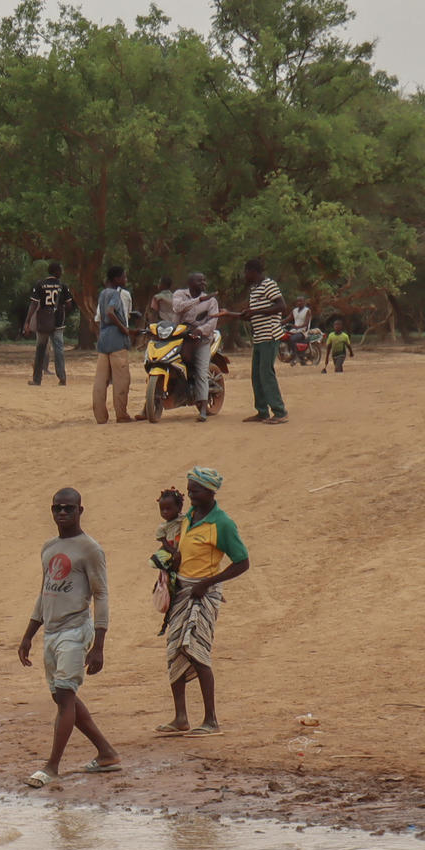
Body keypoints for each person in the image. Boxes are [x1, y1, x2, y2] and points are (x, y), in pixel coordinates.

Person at [17, 489, 118, 788]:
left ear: (80, 511)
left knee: (64, 696)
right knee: (63, 697)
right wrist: (28, 636)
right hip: (51, 632)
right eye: (57, 508)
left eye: (68, 508)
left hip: (76, 631)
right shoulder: (48, 548)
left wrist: (99, 644)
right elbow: (44, 592)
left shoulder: (90, 549)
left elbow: (101, 595)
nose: (62, 513)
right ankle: (106, 753)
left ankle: (52, 766)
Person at [159, 467, 251, 738]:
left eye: (195, 491)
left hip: (202, 594)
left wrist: (208, 583)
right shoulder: (190, 515)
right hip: (183, 591)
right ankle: (181, 718)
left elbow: (242, 562)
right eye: (189, 490)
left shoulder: (222, 523)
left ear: (211, 492)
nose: (190, 495)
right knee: (175, 648)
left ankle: (211, 720)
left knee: (196, 650)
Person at [219, 257, 289, 424]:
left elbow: (281, 306)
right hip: (259, 337)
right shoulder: (255, 289)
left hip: (270, 336)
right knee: (256, 376)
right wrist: (229, 313)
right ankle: (262, 411)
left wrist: (256, 313)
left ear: (252, 271)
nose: (244, 275)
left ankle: (280, 412)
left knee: (266, 373)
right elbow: (250, 316)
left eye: (246, 272)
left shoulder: (269, 284)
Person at [169, 273, 221, 422]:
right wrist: (198, 300)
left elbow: (212, 322)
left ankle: (203, 409)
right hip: (180, 337)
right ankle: (149, 405)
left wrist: (200, 330)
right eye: (200, 280)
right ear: (190, 283)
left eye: (204, 280)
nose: (203, 283)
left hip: (202, 339)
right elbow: (177, 308)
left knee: (201, 371)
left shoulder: (211, 301)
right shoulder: (180, 294)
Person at [92, 265, 134, 423]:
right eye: (124, 277)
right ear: (116, 279)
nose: (125, 280)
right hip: (117, 341)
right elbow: (110, 312)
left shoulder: (103, 293)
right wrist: (125, 329)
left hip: (103, 340)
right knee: (121, 379)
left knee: (100, 380)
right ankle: (121, 414)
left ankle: (100, 416)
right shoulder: (115, 294)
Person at [25, 262, 72, 386]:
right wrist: (61, 310)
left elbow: (34, 304)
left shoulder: (40, 284)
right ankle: (62, 377)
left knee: (40, 349)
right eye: (60, 270)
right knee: (59, 350)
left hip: (44, 321)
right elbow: (69, 305)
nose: (61, 273)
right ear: (56, 271)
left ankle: (37, 379)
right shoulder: (63, 286)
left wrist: (28, 321)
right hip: (58, 321)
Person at [151, 487, 184, 632]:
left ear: (179, 507)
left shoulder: (184, 520)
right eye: (162, 510)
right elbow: (164, 542)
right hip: (170, 552)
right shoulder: (163, 527)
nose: (165, 513)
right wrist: (173, 552)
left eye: (168, 509)